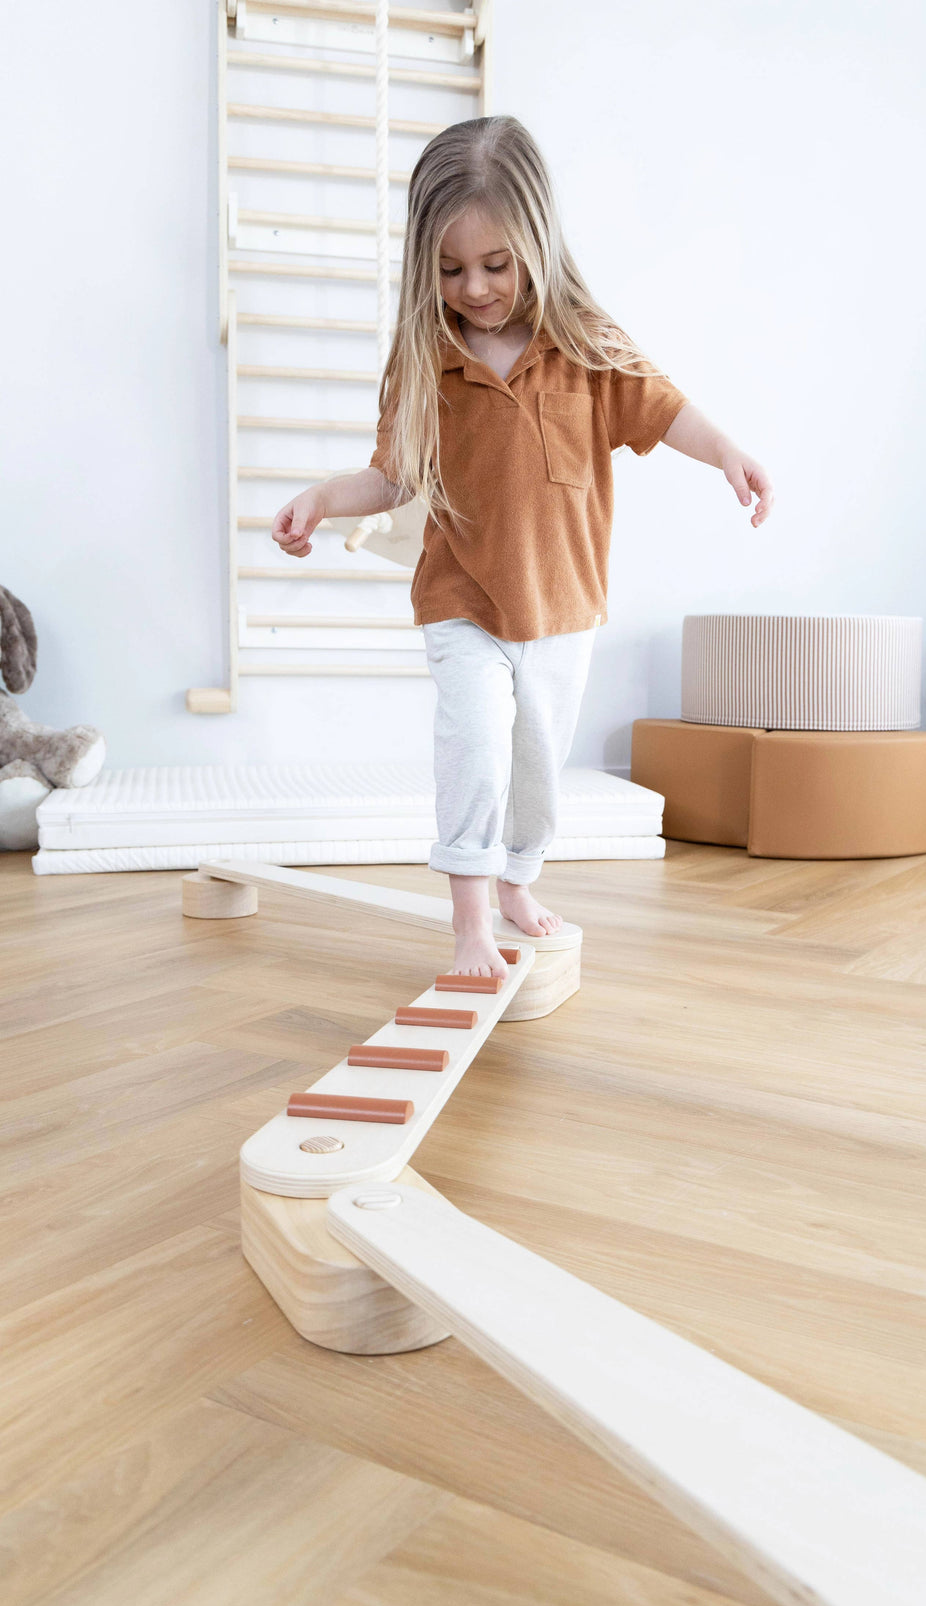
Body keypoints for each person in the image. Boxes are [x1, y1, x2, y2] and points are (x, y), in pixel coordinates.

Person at [272, 115, 773, 980]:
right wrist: (322, 497)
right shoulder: (427, 356)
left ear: (536, 242)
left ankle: (517, 879)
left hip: (562, 606)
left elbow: (663, 409)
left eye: (495, 265)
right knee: (474, 747)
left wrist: (727, 450)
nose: (473, 288)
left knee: (539, 764)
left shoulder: (585, 343)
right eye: (450, 269)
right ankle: (468, 922)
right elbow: (393, 475)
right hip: (462, 599)